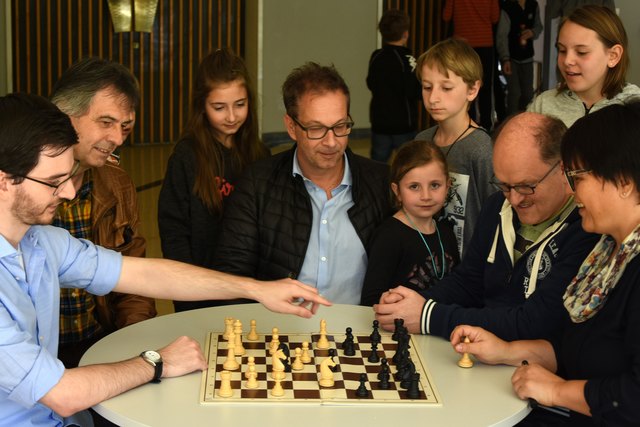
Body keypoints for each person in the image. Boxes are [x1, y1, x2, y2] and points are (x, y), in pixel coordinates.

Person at [0, 92, 331, 427]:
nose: (70, 193)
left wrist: (256, 289)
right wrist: (156, 361)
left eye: (68, 177)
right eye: (54, 182)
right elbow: (63, 394)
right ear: (4, 181)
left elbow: (144, 275)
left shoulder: (41, 242)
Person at [451, 100, 640, 426]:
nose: (571, 190)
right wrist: (504, 351)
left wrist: (558, 391)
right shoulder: (606, 256)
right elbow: (577, 349)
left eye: (578, 177)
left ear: (623, 181)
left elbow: (632, 398)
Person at [374, 112, 600, 342]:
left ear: (563, 168)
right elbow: (469, 282)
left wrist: (428, 315)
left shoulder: (586, 228)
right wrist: (412, 302)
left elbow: (535, 322)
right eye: (503, 185)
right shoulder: (496, 206)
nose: (513, 199)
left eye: (526, 186)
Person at [212, 62, 392, 304]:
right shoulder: (257, 184)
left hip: (360, 334)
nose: (331, 142)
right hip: (281, 332)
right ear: (291, 127)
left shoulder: (383, 184)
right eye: (316, 129)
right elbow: (231, 277)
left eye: (340, 126)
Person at [49, 57, 156, 369]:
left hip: (98, 343)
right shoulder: (17, 185)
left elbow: (134, 279)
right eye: (106, 123)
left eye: (125, 126)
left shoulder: (117, 183)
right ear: (63, 115)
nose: (119, 140)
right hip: (30, 353)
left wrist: (134, 347)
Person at [158, 49, 269, 312]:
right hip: (197, 289)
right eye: (219, 107)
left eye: (239, 105)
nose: (231, 116)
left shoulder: (260, 154)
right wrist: (184, 289)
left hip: (246, 288)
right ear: (202, 106)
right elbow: (173, 231)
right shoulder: (187, 156)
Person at [415, 38, 494, 256]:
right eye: (427, 87)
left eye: (446, 88)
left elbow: (497, 214)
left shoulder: (480, 148)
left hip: (467, 266)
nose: (433, 98)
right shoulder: (422, 140)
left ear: (473, 89)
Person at [360, 140, 460, 306]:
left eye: (435, 185)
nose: (426, 196)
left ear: (448, 186)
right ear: (397, 191)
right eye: (414, 187)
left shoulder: (446, 232)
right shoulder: (389, 236)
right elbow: (371, 299)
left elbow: (458, 285)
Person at [527, 5, 640, 128]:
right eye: (562, 50)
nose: (567, 61)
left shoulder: (634, 107)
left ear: (613, 56)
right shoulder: (543, 105)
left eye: (581, 52)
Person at [366, 9, 421, 162]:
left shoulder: (376, 56)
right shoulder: (407, 59)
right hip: (403, 124)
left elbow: (371, 83)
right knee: (408, 163)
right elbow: (414, 90)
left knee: (377, 163)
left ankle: (376, 186)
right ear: (406, 34)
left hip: (380, 123)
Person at [443, 0, 500, 131]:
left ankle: (468, 123)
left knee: (464, 85)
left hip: (463, 44)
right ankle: (486, 125)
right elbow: (495, 17)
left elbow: (446, 16)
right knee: (484, 86)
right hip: (485, 42)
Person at [496, 0, 543, 114]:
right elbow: (501, 36)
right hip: (511, 58)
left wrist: (532, 32)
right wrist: (505, 58)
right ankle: (510, 122)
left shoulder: (533, 5)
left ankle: (525, 121)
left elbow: (538, 26)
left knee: (528, 94)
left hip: (527, 57)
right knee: (514, 93)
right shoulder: (507, 7)